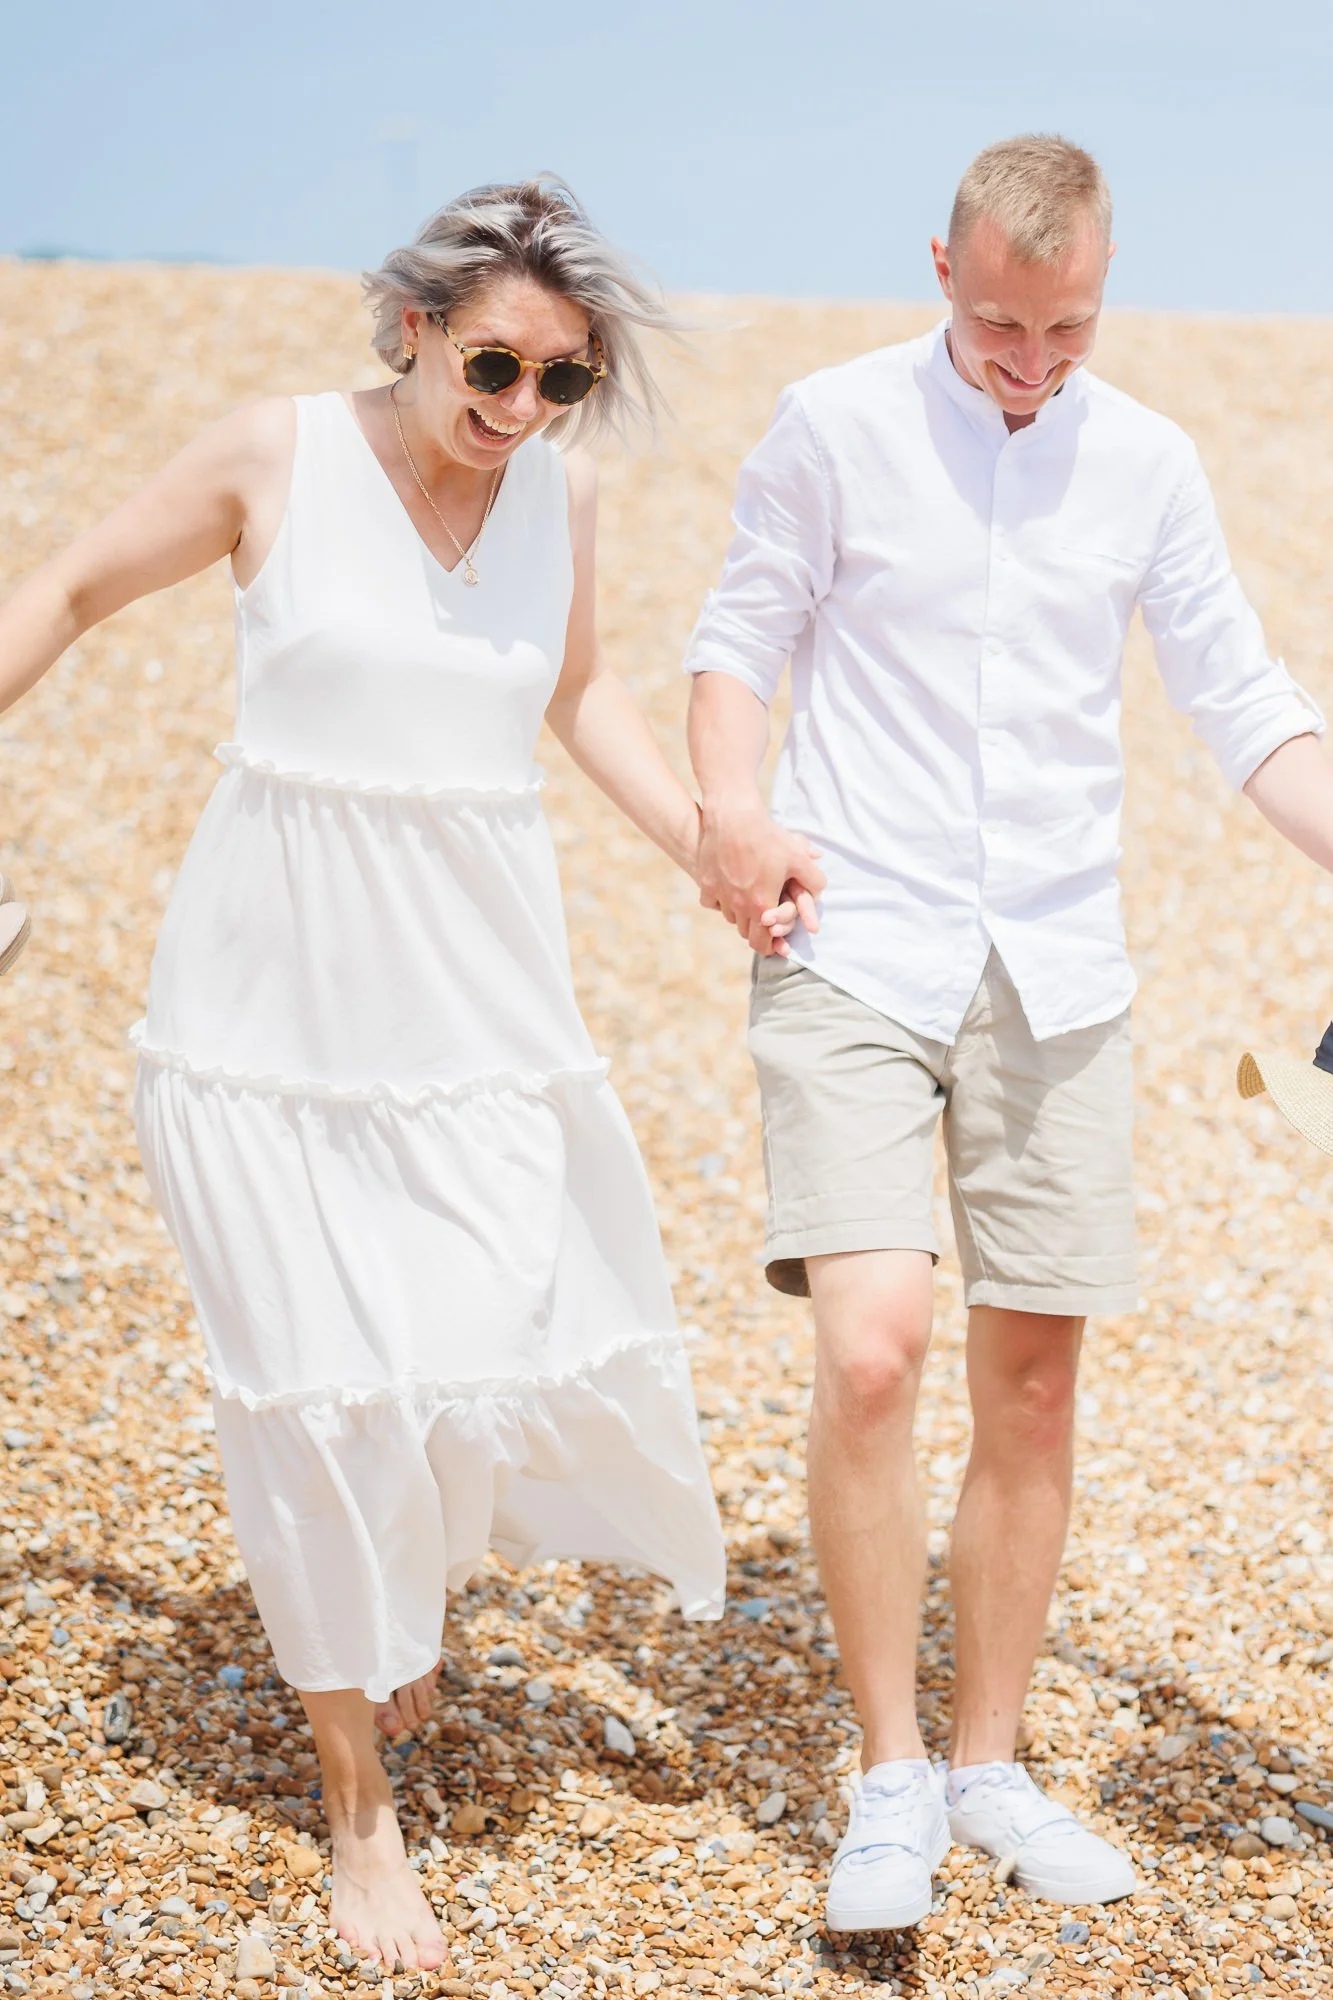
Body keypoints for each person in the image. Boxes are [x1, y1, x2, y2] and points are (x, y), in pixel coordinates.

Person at [0, 178, 758, 1974]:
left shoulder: (561, 497)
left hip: (478, 1003)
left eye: (559, 380)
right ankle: (360, 1812)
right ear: (411, 325)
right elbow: (76, 587)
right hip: (265, 1014)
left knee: (473, 1336)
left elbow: (580, 695)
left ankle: (388, 1584)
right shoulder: (274, 455)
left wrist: (710, 848)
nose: (517, 406)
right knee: (320, 1376)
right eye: (492, 362)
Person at [686, 132, 1333, 1930]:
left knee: (1035, 1377)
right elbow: (736, 642)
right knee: (877, 1348)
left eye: (1069, 329)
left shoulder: (1148, 463)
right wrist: (736, 811)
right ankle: (888, 1773)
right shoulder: (831, 424)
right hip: (851, 941)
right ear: (940, 273)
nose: (1034, 364)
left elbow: (1244, 700)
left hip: (1061, 961)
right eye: (1000, 327)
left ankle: (989, 1761)